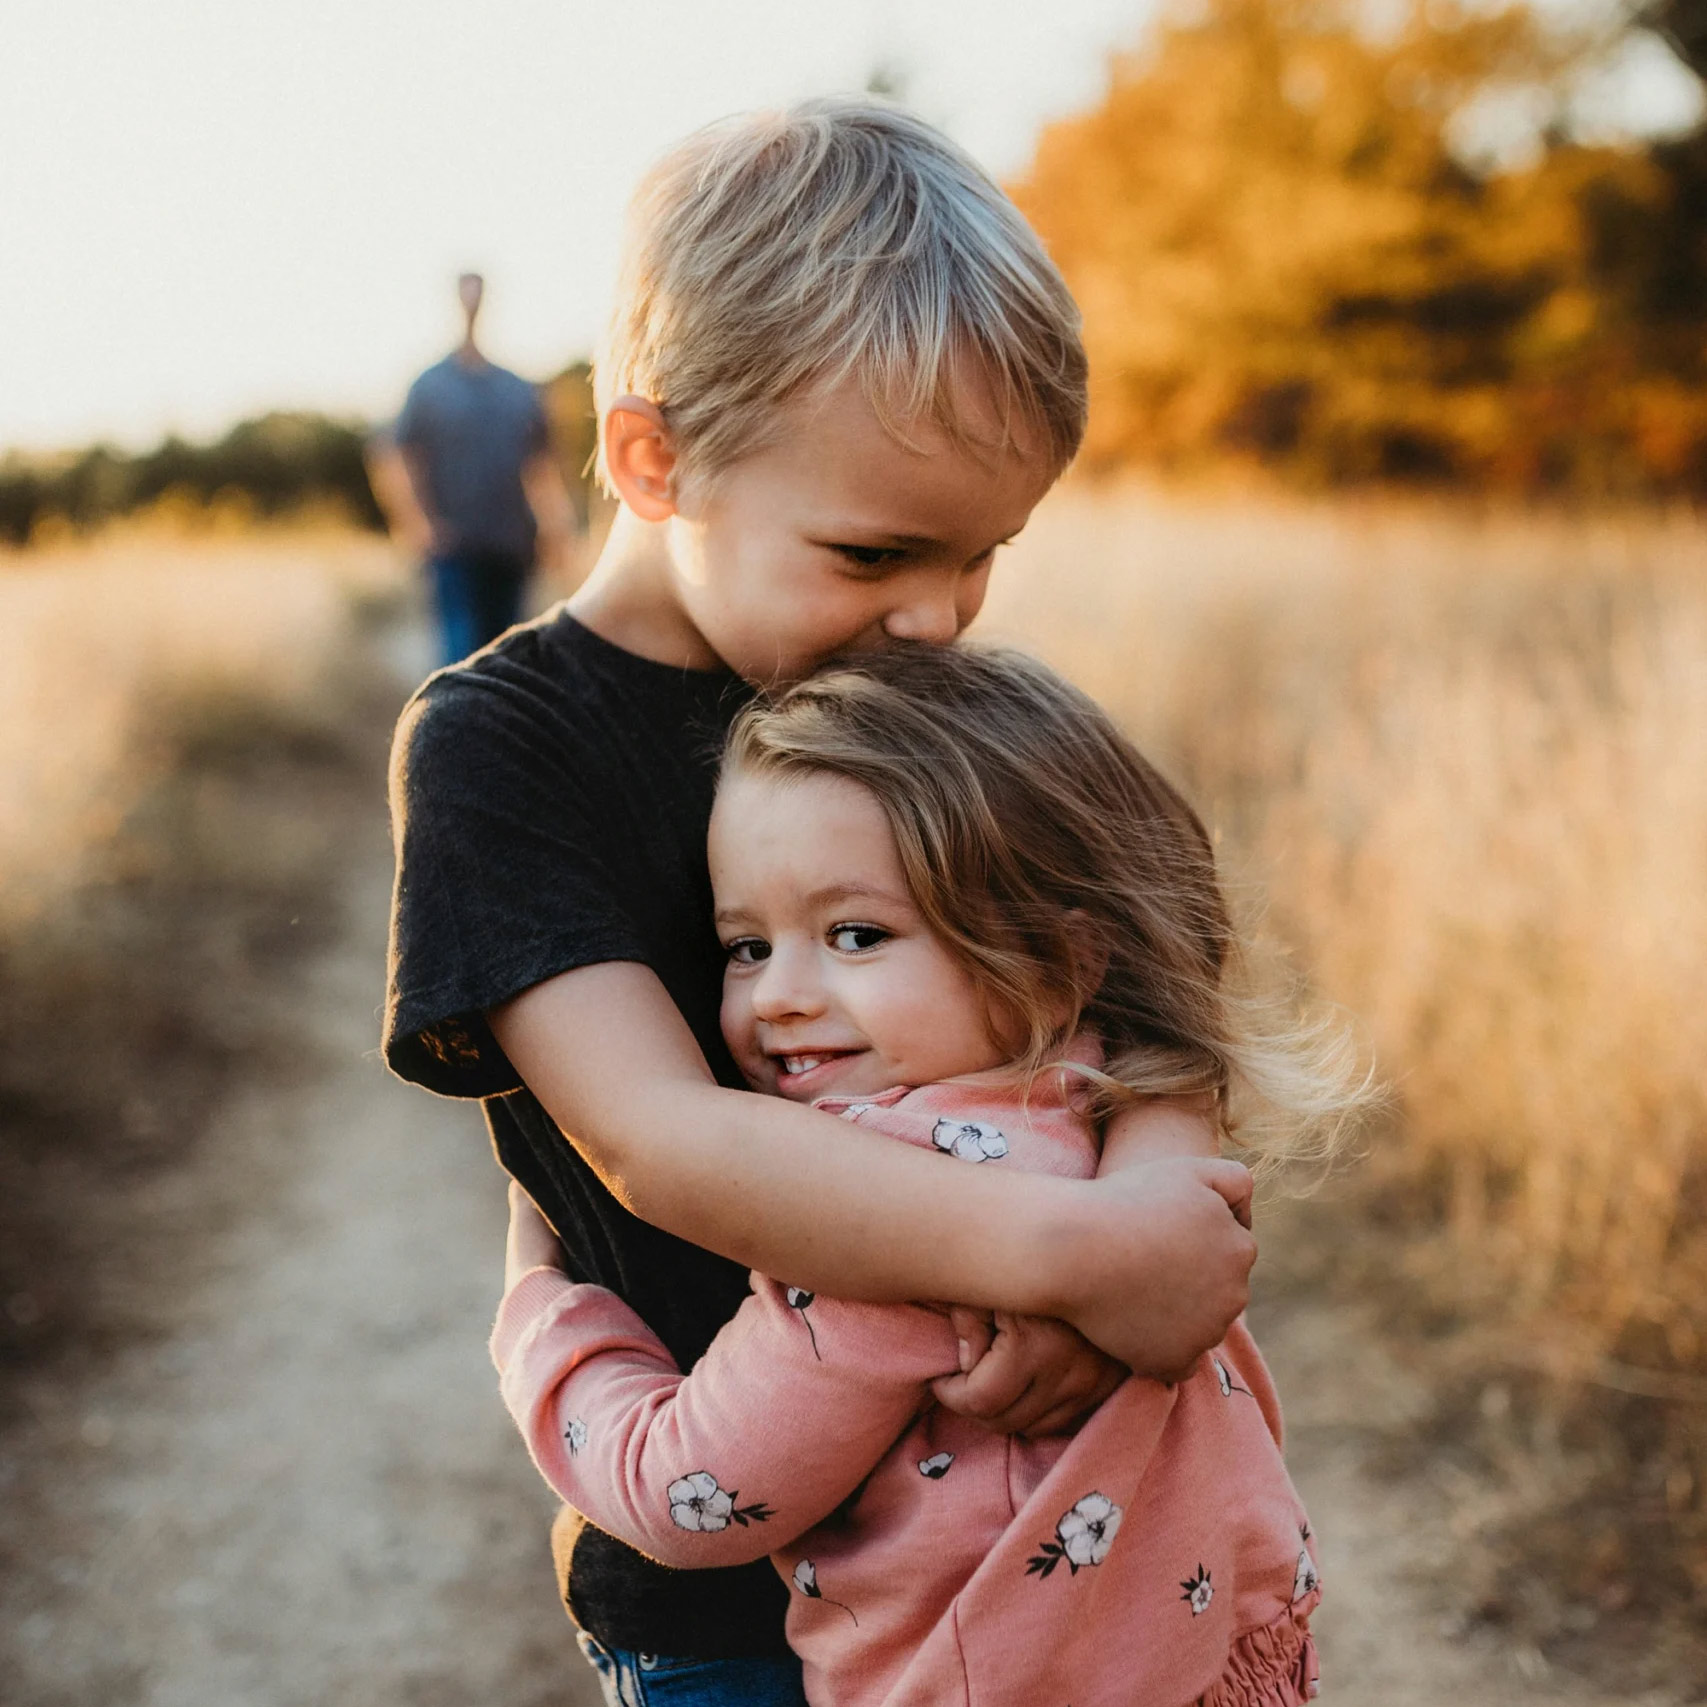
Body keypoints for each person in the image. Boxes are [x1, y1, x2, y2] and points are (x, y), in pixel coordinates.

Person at [384, 100, 1257, 1707]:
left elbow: (1148, 973)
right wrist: (1061, 1251)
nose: (933, 618)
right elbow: (663, 1137)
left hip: (1051, 1537)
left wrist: (1144, 1211)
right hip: (735, 1591)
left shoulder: (915, 693)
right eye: (873, 552)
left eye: (981, 555)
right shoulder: (504, 747)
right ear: (654, 459)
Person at [493, 644, 1364, 1707]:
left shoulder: (877, 1213)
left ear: (1062, 958)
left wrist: (544, 1320)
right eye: (746, 947)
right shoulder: (1111, 1099)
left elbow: (690, 1494)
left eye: (856, 935)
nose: (780, 997)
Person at [370, 272, 576, 664]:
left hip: (511, 543)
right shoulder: (429, 386)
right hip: (453, 548)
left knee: (505, 659)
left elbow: (542, 466)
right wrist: (417, 523)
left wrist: (556, 529)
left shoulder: (517, 389)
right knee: (461, 658)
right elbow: (395, 456)